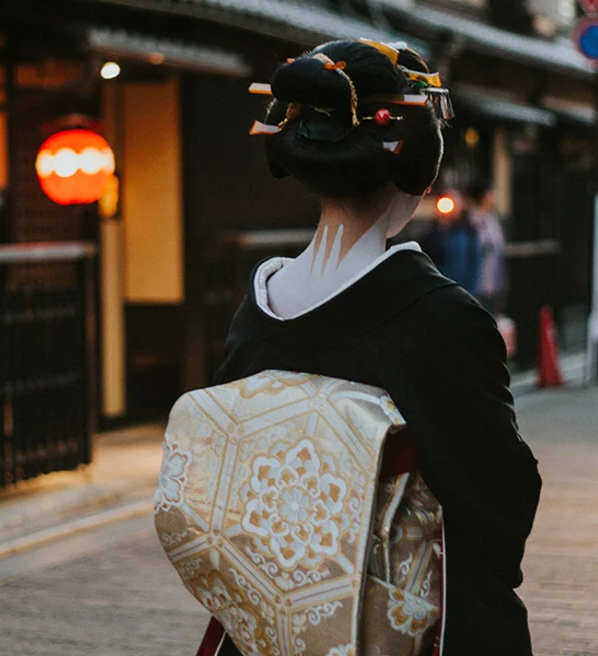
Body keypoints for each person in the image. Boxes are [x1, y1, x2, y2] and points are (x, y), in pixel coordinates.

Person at [209, 40, 541, 655]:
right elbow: (498, 499)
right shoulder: (442, 318)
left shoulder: (259, 308)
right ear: (420, 168)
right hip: (409, 627)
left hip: (281, 619)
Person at [419, 190, 481, 294]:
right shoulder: (433, 233)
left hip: (462, 289)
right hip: (439, 289)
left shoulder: (468, 232)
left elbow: (473, 262)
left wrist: (471, 291)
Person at [467, 182, 507, 315]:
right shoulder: (473, 219)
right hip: (477, 280)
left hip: (495, 280)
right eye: (491, 194)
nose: (494, 197)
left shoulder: (493, 219)